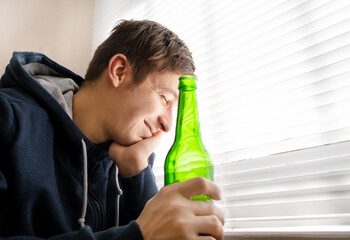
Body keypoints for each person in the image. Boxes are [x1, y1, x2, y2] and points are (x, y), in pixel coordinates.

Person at [0, 20, 224, 239]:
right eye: (164, 98)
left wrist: (136, 170)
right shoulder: (7, 116)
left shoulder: (130, 157)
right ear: (119, 71)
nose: (167, 124)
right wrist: (135, 235)